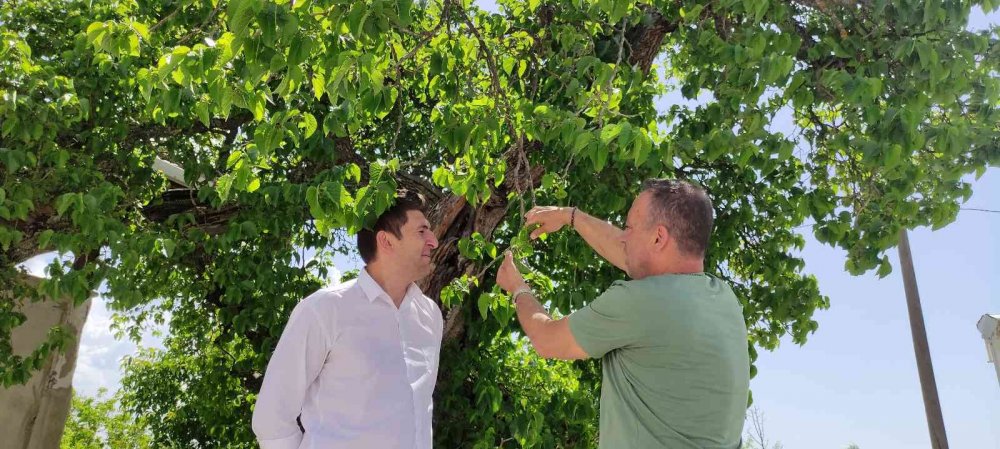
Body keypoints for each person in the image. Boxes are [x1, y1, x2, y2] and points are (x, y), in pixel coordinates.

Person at [495, 179, 749, 448]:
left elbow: (547, 339)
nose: (623, 236)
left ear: (658, 238)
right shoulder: (722, 298)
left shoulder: (643, 302)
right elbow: (632, 255)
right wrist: (571, 217)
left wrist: (518, 288)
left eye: (628, 227)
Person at [252, 190, 443, 449]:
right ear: (386, 241)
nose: (434, 241)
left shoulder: (430, 315)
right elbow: (272, 418)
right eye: (422, 231)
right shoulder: (324, 309)